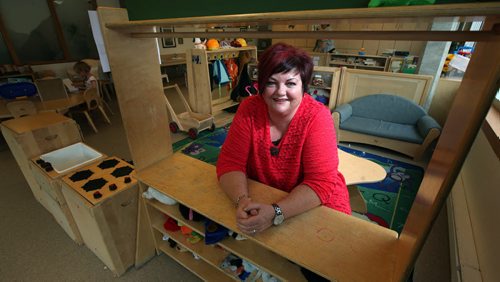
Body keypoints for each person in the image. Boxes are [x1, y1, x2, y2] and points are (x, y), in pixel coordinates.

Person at [216, 43, 351, 237]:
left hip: (313, 197)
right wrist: (242, 200)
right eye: (271, 83)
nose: (280, 92)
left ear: (304, 86)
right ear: (261, 85)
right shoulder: (249, 109)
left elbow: (320, 182)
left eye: (290, 83)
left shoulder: (318, 117)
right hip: (264, 191)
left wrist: (276, 212)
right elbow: (230, 163)